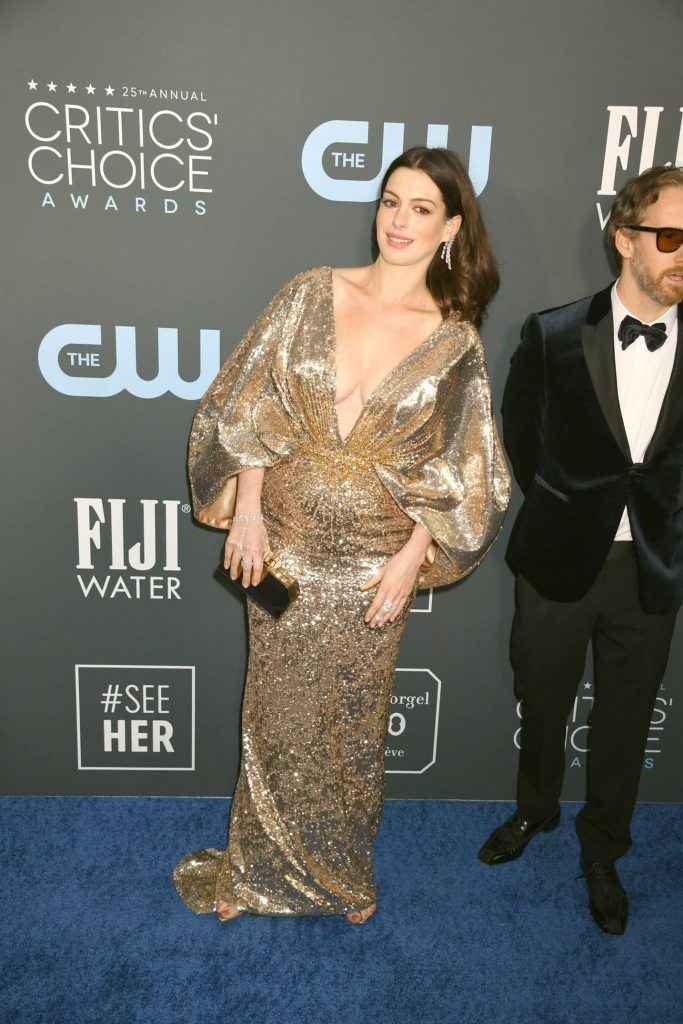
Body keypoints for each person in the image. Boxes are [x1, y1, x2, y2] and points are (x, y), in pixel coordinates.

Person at [172, 146, 510, 924]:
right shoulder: (311, 292)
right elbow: (251, 405)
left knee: (351, 725)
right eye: (390, 201)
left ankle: (342, 878)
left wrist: (412, 558)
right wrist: (248, 511)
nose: (399, 221)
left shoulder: (453, 338)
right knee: (272, 713)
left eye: (421, 208)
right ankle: (253, 874)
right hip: (282, 541)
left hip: (372, 561)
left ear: (450, 228)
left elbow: (462, 465)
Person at [478, 166, 683, 935]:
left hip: (652, 567)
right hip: (558, 559)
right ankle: (535, 810)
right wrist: (571, 507)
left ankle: (603, 849)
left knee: (625, 719)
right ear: (624, 240)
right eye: (671, 237)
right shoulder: (552, 333)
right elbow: (519, 437)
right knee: (542, 702)